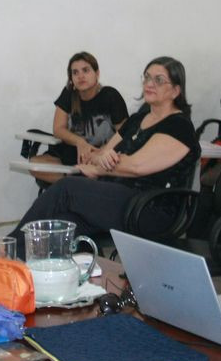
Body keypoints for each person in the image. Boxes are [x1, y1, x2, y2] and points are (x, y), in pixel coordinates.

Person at [10, 56, 200, 258]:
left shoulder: (179, 126)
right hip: (118, 196)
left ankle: (7, 252)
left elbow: (136, 166)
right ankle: (22, 270)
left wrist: (101, 165)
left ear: (176, 90)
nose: (150, 84)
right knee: (61, 224)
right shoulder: (137, 120)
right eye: (147, 78)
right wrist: (100, 157)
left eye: (159, 80)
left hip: (149, 208)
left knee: (67, 188)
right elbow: (102, 153)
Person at [30, 52, 128, 184]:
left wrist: (101, 152)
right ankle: (77, 180)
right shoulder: (68, 94)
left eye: (86, 70)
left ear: (97, 74)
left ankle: (75, 181)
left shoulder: (110, 95)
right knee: (35, 164)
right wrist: (80, 142)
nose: (80, 76)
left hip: (101, 156)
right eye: (75, 72)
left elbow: (125, 133)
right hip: (74, 154)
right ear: (71, 78)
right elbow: (58, 129)